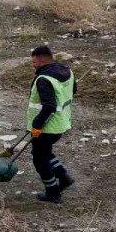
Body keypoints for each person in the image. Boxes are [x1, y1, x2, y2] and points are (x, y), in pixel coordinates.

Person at [26, 46, 76, 204]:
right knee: (45, 153)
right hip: (61, 123)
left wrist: (37, 125)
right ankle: (64, 178)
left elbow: (49, 106)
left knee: (39, 158)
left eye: (34, 62)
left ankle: (53, 192)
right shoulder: (67, 72)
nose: (33, 65)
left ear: (41, 61)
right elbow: (73, 90)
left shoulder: (44, 79)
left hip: (47, 127)